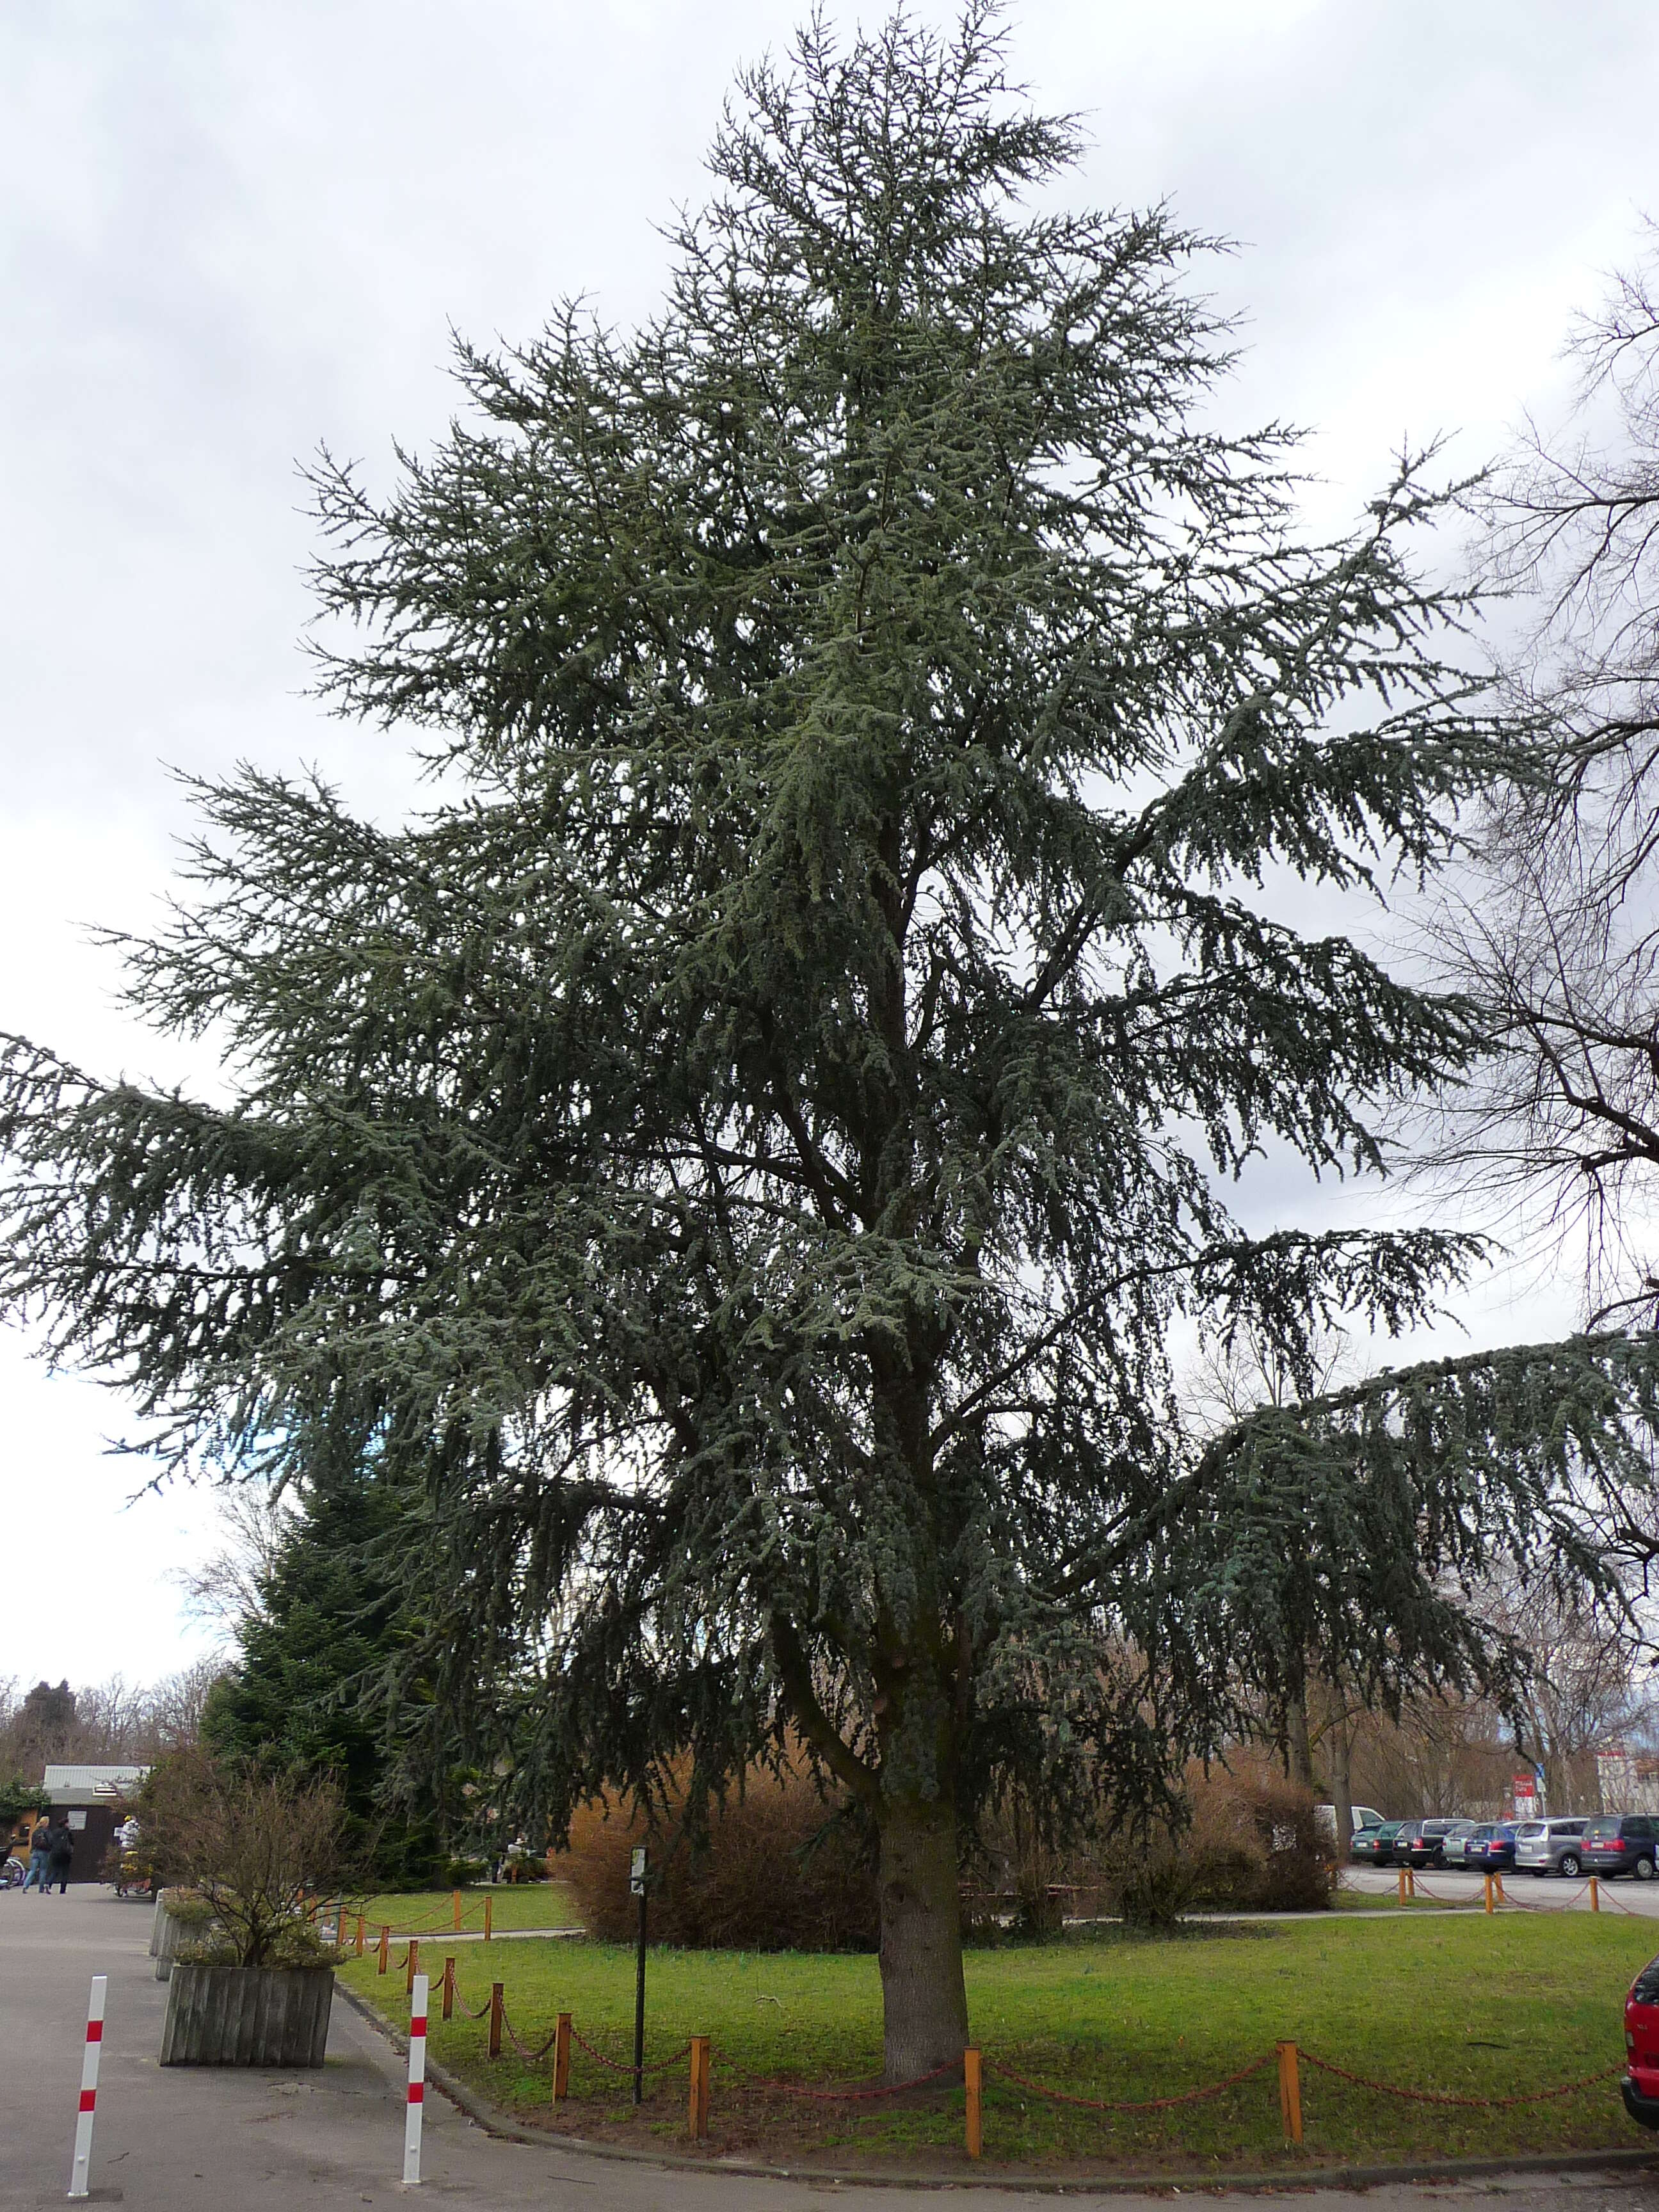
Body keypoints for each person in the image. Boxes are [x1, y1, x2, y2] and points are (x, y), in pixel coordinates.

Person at [20, 1816, 51, 1893]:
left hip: (35, 1852)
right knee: (43, 1870)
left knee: (32, 1870)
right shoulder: (46, 1832)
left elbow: (32, 1842)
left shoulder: (35, 1832)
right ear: (46, 1823)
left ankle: (25, 1886)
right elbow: (51, 1841)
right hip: (44, 1852)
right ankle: (41, 1888)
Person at [45, 1817, 74, 1895]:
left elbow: (50, 1842)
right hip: (65, 1854)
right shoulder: (68, 1832)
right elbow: (72, 1842)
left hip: (55, 1853)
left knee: (55, 1871)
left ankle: (49, 1884)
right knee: (65, 1872)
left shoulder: (55, 1832)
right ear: (65, 1824)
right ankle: (62, 1890)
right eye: (68, 1823)